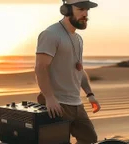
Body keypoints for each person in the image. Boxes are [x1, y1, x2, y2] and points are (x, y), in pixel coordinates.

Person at [34, 0, 101, 143]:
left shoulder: (78, 39)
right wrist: (49, 97)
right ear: (66, 10)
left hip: (76, 103)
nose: (85, 14)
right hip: (56, 104)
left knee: (89, 138)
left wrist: (90, 94)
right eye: (81, 9)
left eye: (87, 10)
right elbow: (40, 67)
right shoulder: (51, 34)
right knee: (58, 141)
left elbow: (79, 69)